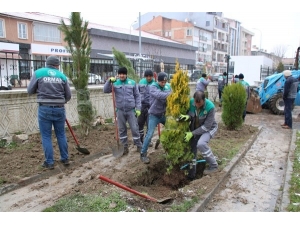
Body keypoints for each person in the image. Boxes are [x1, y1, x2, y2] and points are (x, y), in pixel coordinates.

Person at [27, 55, 72, 170]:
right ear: (57, 65)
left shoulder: (39, 73)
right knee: (61, 134)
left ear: (47, 63)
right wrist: (61, 102)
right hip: (59, 109)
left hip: (44, 109)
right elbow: (68, 95)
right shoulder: (62, 76)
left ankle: (50, 162)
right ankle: (65, 158)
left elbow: (30, 90)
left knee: (46, 136)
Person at [179, 90, 218, 179]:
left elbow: (206, 127)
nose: (197, 105)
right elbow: (191, 114)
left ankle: (213, 165)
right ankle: (191, 175)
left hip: (209, 128)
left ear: (204, 100)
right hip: (196, 129)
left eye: (199, 104)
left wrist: (192, 133)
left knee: (201, 144)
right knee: (192, 149)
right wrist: (187, 117)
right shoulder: (191, 102)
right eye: (196, 103)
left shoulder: (210, 107)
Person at [103, 67, 142, 155]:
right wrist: (109, 81)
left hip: (131, 110)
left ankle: (139, 145)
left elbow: (137, 96)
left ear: (126, 74)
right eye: (120, 74)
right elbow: (105, 90)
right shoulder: (115, 83)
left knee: (135, 129)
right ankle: (124, 147)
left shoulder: (132, 83)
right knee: (122, 130)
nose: (121, 75)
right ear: (118, 74)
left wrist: (138, 109)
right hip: (120, 110)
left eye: (123, 74)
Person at [140, 72, 172, 164]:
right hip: (153, 115)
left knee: (170, 130)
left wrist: (170, 93)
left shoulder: (167, 86)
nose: (163, 83)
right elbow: (159, 95)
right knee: (149, 134)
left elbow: (168, 93)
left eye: (165, 82)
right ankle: (143, 154)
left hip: (163, 115)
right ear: (158, 81)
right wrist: (170, 94)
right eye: (162, 82)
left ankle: (168, 151)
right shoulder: (153, 87)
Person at [138, 69, 155, 146]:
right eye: (147, 76)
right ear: (145, 76)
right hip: (141, 106)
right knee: (140, 123)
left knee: (149, 125)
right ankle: (140, 140)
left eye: (150, 76)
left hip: (151, 107)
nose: (148, 78)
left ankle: (148, 140)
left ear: (152, 76)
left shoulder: (155, 84)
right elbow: (137, 94)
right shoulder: (141, 82)